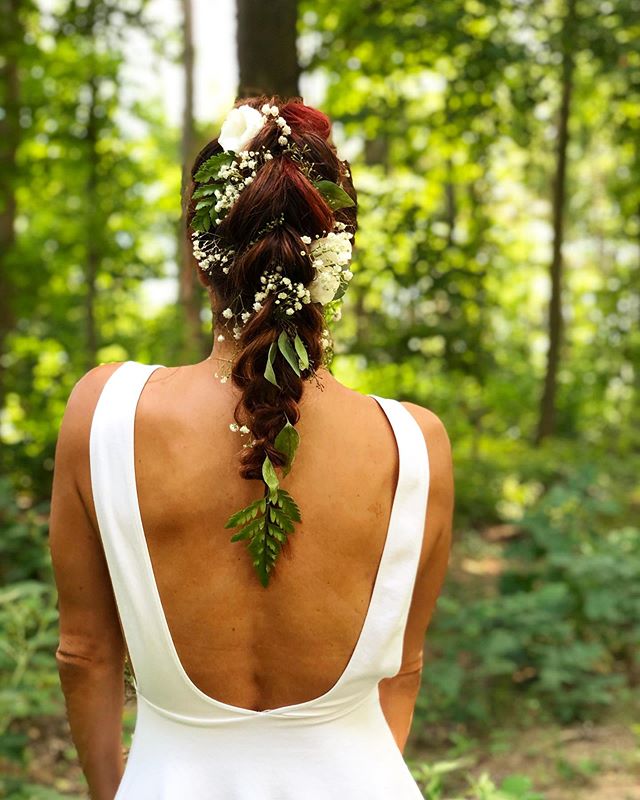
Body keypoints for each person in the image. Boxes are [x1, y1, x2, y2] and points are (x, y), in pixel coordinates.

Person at [49, 95, 454, 800]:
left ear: (199, 260)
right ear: (334, 259)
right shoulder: (415, 447)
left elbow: (85, 654)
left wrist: (112, 789)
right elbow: (404, 671)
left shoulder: (104, 412)